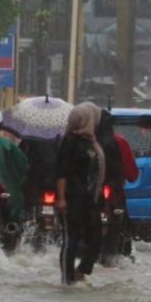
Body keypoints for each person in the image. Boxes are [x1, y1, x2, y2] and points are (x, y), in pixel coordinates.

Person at [56, 103, 106, 285]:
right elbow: (61, 172)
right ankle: (67, 281)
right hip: (72, 198)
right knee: (71, 240)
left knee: (96, 238)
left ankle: (82, 270)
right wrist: (61, 198)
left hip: (90, 199)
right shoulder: (69, 141)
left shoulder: (92, 141)